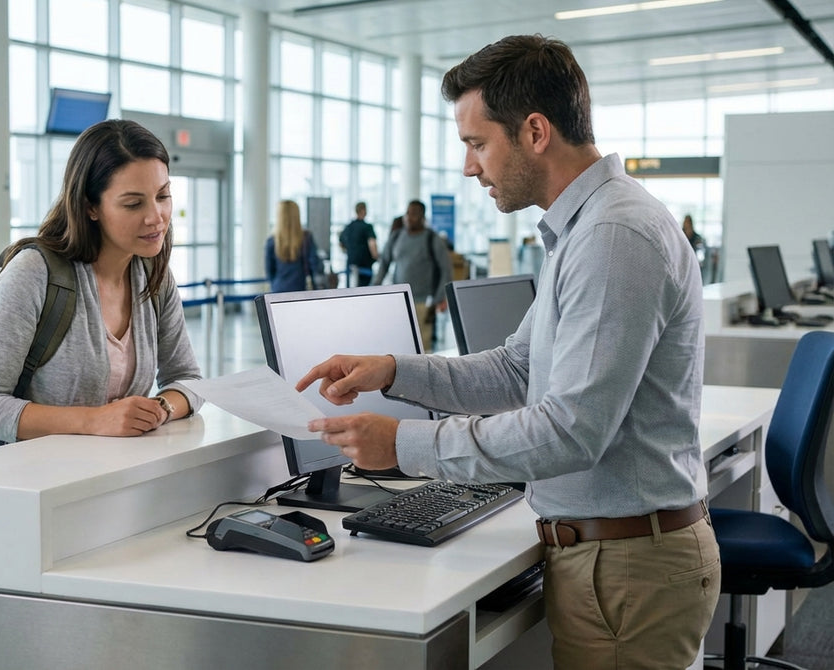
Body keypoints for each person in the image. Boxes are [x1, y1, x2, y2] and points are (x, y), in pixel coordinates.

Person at [296, 35, 715, 669]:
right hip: (612, 561)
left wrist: (403, 448)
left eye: (477, 143)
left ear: (536, 132)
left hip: (627, 571)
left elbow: (571, 432)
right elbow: (516, 368)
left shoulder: (611, 236)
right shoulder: (585, 231)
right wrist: (392, 370)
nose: (470, 167)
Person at [0, 120, 202, 447]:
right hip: (28, 480)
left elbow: (188, 380)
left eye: (163, 196)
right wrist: (96, 420)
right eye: (133, 203)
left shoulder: (152, 274)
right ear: (90, 206)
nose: (156, 216)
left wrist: (159, 408)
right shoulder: (34, 272)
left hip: (105, 475)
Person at [374, 200, 452, 348]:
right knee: (399, 344)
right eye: (408, 213)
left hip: (423, 302)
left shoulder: (432, 239)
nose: (409, 217)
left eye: (414, 214)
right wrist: (372, 289)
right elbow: (384, 264)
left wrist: (438, 298)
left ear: (422, 217)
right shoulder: (397, 236)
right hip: (398, 301)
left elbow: (446, 269)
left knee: (422, 347)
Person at [264, 200, 321, 293]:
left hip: (278, 290)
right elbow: (314, 264)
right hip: (301, 289)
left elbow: (269, 272)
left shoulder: (271, 241)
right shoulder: (306, 238)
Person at [338, 202, 378, 286]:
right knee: (364, 290)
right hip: (364, 264)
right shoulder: (367, 227)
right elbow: (372, 243)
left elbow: (341, 243)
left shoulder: (349, 227)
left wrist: (350, 251)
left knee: (350, 290)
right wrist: (376, 256)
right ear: (363, 210)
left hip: (351, 263)